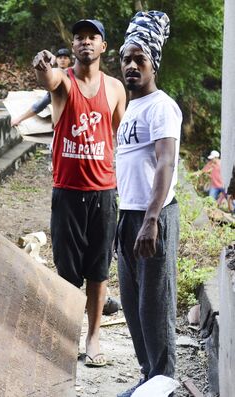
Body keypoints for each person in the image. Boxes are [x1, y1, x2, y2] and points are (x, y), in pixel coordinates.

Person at [33, 19, 126, 367]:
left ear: (103, 47)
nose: (85, 42)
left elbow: (113, 133)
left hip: (103, 191)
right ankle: (67, 336)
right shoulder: (63, 83)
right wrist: (44, 67)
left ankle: (94, 337)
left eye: (92, 38)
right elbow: (49, 78)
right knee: (68, 272)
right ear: (72, 47)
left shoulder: (116, 88)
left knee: (99, 271)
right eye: (79, 38)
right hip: (68, 192)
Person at [115, 11, 181, 396]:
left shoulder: (161, 107)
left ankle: (164, 384)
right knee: (134, 307)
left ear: (153, 62)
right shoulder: (132, 108)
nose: (132, 65)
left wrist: (151, 219)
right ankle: (149, 380)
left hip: (152, 217)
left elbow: (166, 163)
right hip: (129, 215)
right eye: (126, 58)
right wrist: (125, 219)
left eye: (140, 58)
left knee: (155, 309)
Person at [11, 48, 72, 127]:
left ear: (69, 60)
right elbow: (41, 103)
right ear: (56, 60)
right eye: (60, 58)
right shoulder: (54, 74)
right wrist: (20, 119)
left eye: (65, 58)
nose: (62, 60)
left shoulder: (75, 74)